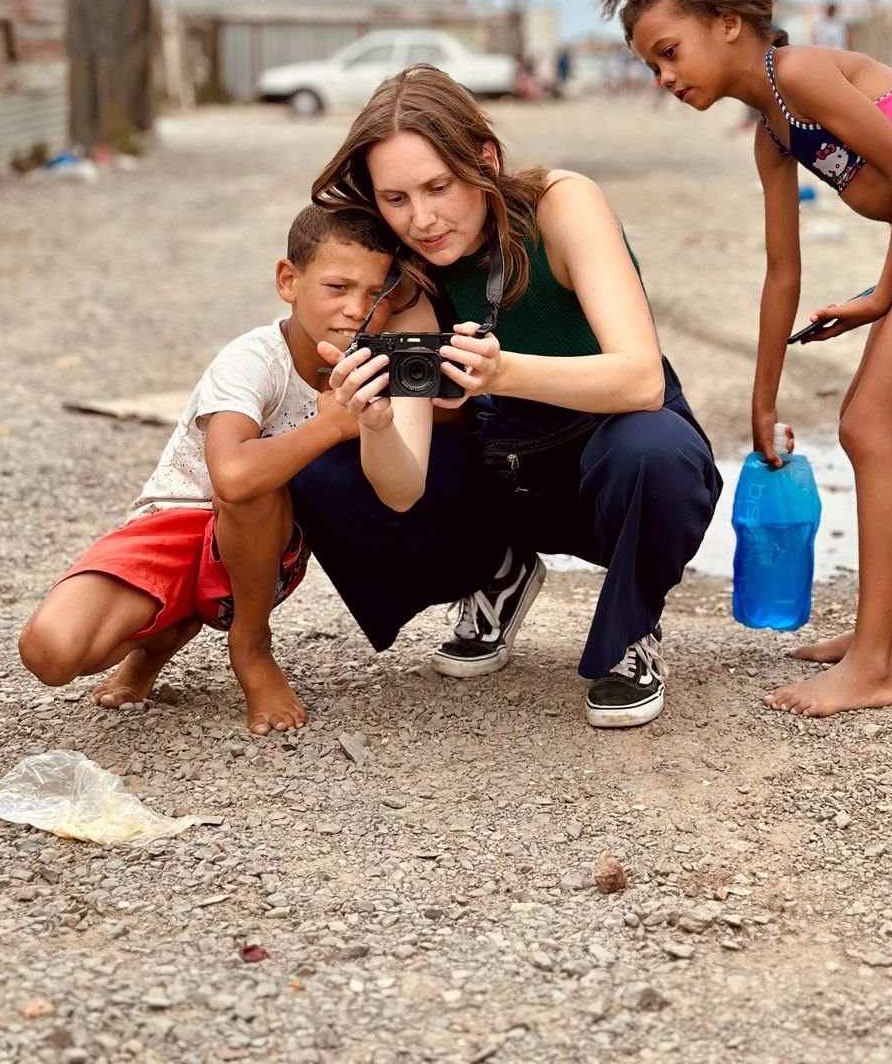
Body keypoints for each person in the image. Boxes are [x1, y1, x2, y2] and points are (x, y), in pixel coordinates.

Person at [602, 0, 892, 719]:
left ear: (728, 22)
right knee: (866, 423)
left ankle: (874, 667)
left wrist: (878, 296)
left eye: (668, 53)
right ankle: (886, 638)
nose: (663, 79)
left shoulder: (797, 73)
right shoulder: (771, 127)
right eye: (650, 67)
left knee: (867, 424)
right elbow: (781, 274)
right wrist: (763, 403)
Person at [298, 65, 721, 729]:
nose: (424, 219)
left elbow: (639, 378)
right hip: (508, 469)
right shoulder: (409, 277)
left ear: (485, 160)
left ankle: (630, 630)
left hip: (610, 459)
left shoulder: (560, 205)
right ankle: (499, 571)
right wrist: (377, 424)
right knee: (325, 473)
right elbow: (403, 489)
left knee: (653, 448)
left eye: (439, 187)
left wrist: (501, 375)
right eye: (397, 198)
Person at [19, 205, 397, 735]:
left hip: (257, 551)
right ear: (288, 280)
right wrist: (332, 425)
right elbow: (231, 474)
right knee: (51, 652)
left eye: (375, 294)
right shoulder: (253, 359)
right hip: (172, 524)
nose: (357, 309)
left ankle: (251, 645)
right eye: (337, 287)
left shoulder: (377, 366)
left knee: (254, 492)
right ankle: (161, 637)